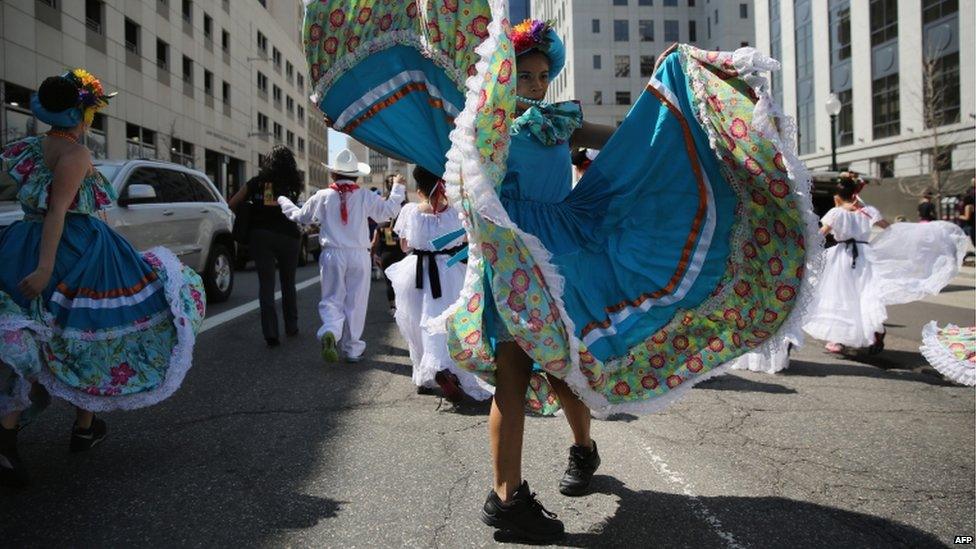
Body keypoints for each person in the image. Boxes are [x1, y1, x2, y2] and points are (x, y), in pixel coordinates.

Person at [303, 5, 825, 542]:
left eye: (540, 75)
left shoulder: (561, 121)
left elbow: (633, 138)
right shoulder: (482, 122)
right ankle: (507, 498)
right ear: (507, 74)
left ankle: (583, 448)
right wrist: (347, 116)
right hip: (509, 254)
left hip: (561, 254)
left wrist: (690, 99)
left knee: (563, 368)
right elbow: (413, 126)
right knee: (511, 375)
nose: (532, 83)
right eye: (523, 74)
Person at [0, 70, 205, 487]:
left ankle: (14, 435)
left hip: (21, 240)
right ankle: (78, 427)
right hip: (71, 248)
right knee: (95, 326)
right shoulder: (75, 155)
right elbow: (58, 211)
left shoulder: (31, 147)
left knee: (31, 332)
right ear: (83, 113)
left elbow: (39, 206)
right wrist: (44, 268)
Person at [278, 149, 405, 363]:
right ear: (356, 175)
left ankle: (331, 330)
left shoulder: (323, 195)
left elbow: (301, 217)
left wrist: (283, 201)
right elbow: (389, 211)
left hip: (332, 254)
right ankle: (353, 348)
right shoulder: (365, 195)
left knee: (332, 298)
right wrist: (398, 188)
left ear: (333, 175)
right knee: (356, 301)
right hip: (358, 254)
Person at [384, 166, 493, 403]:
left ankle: (426, 374)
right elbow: (466, 238)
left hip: (416, 272)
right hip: (451, 269)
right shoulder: (455, 212)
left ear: (418, 187)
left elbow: (403, 246)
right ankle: (448, 369)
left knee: (417, 323)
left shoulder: (410, 211)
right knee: (451, 322)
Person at [803, 178, 890, 354]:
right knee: (865, 293)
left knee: (840, 295)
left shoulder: (836, 213)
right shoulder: (868, 211)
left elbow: (821, 234)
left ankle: (838, 339)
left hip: (843, 256)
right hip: (866, 255)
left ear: (838, 195)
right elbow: (888, 228)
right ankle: (874, 330)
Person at [228, 146, 302, 347]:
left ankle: (271, 333)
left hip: (261, 235)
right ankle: (292, 326)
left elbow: (233, 203)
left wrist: (250, 214)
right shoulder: (295, 183)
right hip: (289, 236)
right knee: (289, 283)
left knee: (267, 285)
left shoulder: (257, 182)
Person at [370, 174, 407, 315]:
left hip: (386, 250)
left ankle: (393, 307)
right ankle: (401, 306)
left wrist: (373, 253)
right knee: (402, 281)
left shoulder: (383, 204)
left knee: (389, 281)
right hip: (401, 250)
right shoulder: (405, 206)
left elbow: (376, 236)